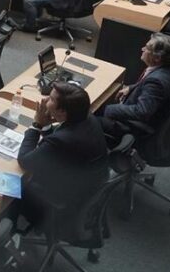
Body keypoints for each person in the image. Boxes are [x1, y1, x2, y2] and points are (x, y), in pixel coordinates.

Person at [16, 83, 108, 229]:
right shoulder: (87, 119)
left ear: (62, 112)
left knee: (15, 186)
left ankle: (11, 227)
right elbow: (58, 144)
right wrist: (47, 126)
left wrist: (37, 125)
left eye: (51, 99)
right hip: (85, 184)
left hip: (63, 197)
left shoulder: (62, 140)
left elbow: (25, 161)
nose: (45, 100)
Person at [98, 34, 170, 142]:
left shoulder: (156, 82)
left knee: (88, 116)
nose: (142, 49)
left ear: (157, 58)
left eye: (147, 48)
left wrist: (108, 110)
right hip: (156, 116)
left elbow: (141, 112)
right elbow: (148, 84)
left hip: (132, 126)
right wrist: (131, 88)